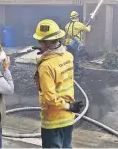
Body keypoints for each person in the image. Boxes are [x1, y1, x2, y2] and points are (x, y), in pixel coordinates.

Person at [33, 19, 85, 148]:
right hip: (68, 118)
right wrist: (46, 51)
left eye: (40, 41)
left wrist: (68, 106)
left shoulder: (46, 66)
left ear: (47, 43)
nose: (39, 43)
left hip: (53, 119)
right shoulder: (68, 56)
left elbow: (50, 98)